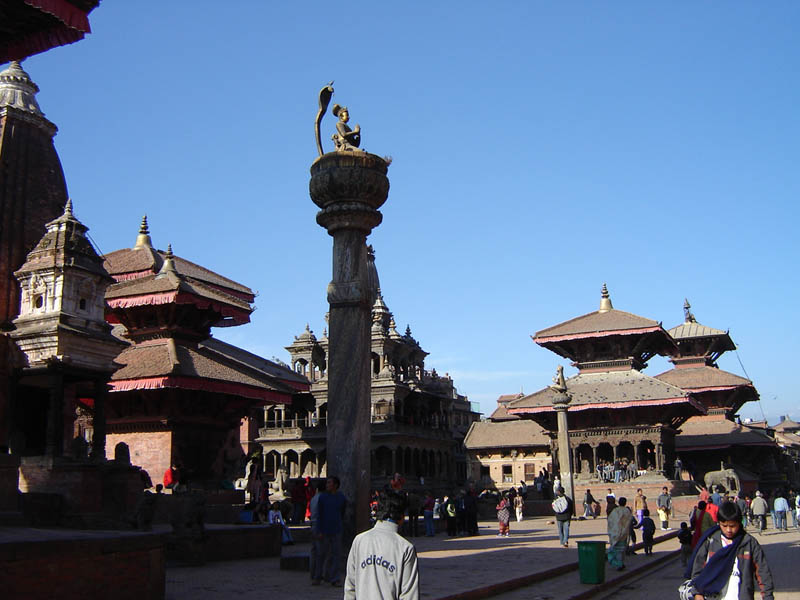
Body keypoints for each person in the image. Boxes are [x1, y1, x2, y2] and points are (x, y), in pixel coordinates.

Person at [683, 501, 774, 600]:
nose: (728, 530)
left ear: (739, 523)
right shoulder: (711, 542)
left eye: (732, 526)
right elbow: (698, 569)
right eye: (724, 526)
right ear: (719, 523)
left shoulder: (749, 543)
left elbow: (763, 573)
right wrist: (697, 593)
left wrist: (768, 596)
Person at [344, 490, 419, 600]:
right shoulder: (405, 548)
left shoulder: (359, 541)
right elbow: (409, 595)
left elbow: (350, 587)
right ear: (402, 517)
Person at [313, 476, 346, 586]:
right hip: (324, 529)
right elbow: (320, 514)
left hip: (336, 528)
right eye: (327, 483)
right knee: (321, 554)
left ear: (335, 485)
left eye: (329, 483)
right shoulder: (322, 497)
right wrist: (319, 530)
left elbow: (342, 512)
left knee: (336, 555)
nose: (327, 485)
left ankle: (334, 578)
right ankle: (318, 576)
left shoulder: (341, 497)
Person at [607, 496, 633, 571]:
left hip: (616, 534)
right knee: (621, 551)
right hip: (624, 534)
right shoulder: (627, 511)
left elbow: (612, 522)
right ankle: (620, 563)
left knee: (613, 552)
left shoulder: (615, 511)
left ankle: (619, 564)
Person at [308, 480, 326, 583]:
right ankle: (318, 575)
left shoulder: (314, 498)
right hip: (319, 526)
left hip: (313, 524)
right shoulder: (322, 498)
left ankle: (313, 573)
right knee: (320, 552)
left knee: (314, 551)